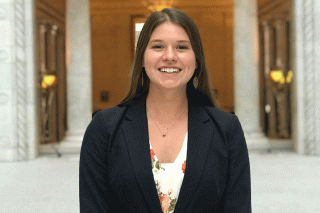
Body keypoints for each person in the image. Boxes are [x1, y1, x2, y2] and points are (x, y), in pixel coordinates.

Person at [79, 8, 251, 213]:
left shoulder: (227, 130)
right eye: (158, 46)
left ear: (197, 60)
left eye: (181, 47)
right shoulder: (104, 129)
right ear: (142, 58)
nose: (170, 56)